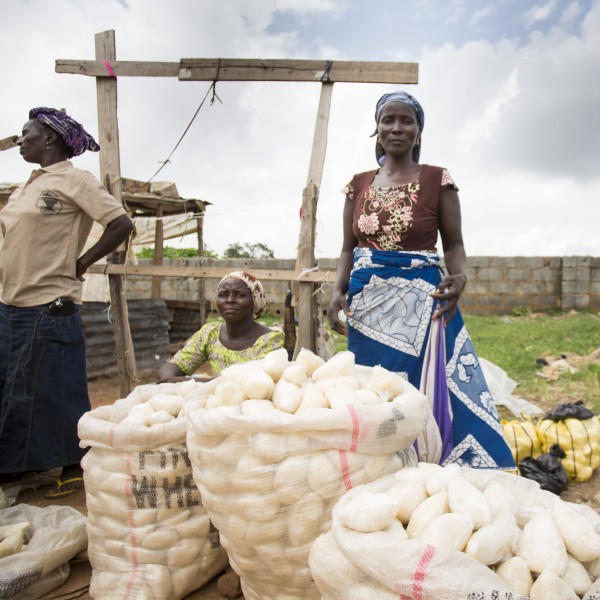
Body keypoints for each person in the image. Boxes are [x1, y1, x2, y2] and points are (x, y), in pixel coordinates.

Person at [327, 91, 514, 470]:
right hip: (367, 305)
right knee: (371, 387)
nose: (396, 127)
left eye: (406, 121)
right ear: (376, 130)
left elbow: (455, 243)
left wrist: (459, 277)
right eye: (388, 120)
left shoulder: (436, 179)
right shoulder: (357, 184)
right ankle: (377, 468)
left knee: (429, 388)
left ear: (418, 130)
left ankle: (435, 464)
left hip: (425, 302)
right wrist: (337, 290)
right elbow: (347, 248)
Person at [0, 107, 134, 496]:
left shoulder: (75, 180)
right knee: (14, 387)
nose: (21, 140)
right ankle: (16, 466)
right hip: (11, 304)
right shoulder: (26, 186)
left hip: (48, 303)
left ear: (50, 139)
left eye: (27, 134)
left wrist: (82, 263)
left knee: (55, 388)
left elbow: (121, 223)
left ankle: (74, 466)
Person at [157, 271, 284, 382]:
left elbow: (253, 385)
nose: (229, 300)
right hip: (215, 406)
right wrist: (171, 376)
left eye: (239, 295)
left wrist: (188, 382)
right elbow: (169, 369)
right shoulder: (210, 333)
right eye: (223, 294)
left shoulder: (270, 341)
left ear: (254, 302)